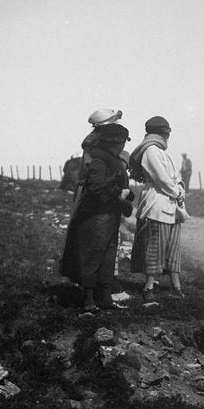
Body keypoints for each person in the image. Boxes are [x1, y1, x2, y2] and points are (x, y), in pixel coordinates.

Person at [58, 123, 134, 313]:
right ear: (116, 142)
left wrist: (124, 194)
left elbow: (107, 186)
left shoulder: (108, 159)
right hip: (96, 217)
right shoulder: (100, 161)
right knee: (93, 254)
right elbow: (97, 189)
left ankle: (105, 298)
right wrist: (121, 195)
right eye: (123, 141)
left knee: (107, 255)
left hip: (108, 216)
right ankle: (89, 301)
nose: (124, 145)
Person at [129, 116, 186, 299]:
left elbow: (172, 177)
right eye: (165, 133)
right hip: (157, 201)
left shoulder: (161, 152)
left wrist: (179, 188)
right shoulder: (151, 150)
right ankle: (149, 287)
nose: (166, 137)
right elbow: (161, 178)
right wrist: (176, 191)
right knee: (155, 245)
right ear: (161, 133)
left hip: (170, 201)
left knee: (172, 246)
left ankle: (176, 286)